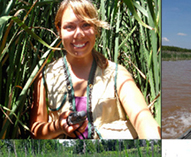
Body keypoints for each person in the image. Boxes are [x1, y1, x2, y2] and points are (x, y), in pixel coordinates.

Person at [30, 0, 161, 139]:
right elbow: (36, 130)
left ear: (96, 28)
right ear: (59, 31)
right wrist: (58, 126)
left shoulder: (117, 74)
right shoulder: (45, 75)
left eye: (86, 25)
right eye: (69, 27)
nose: (79, 34)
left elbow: (143, 118)